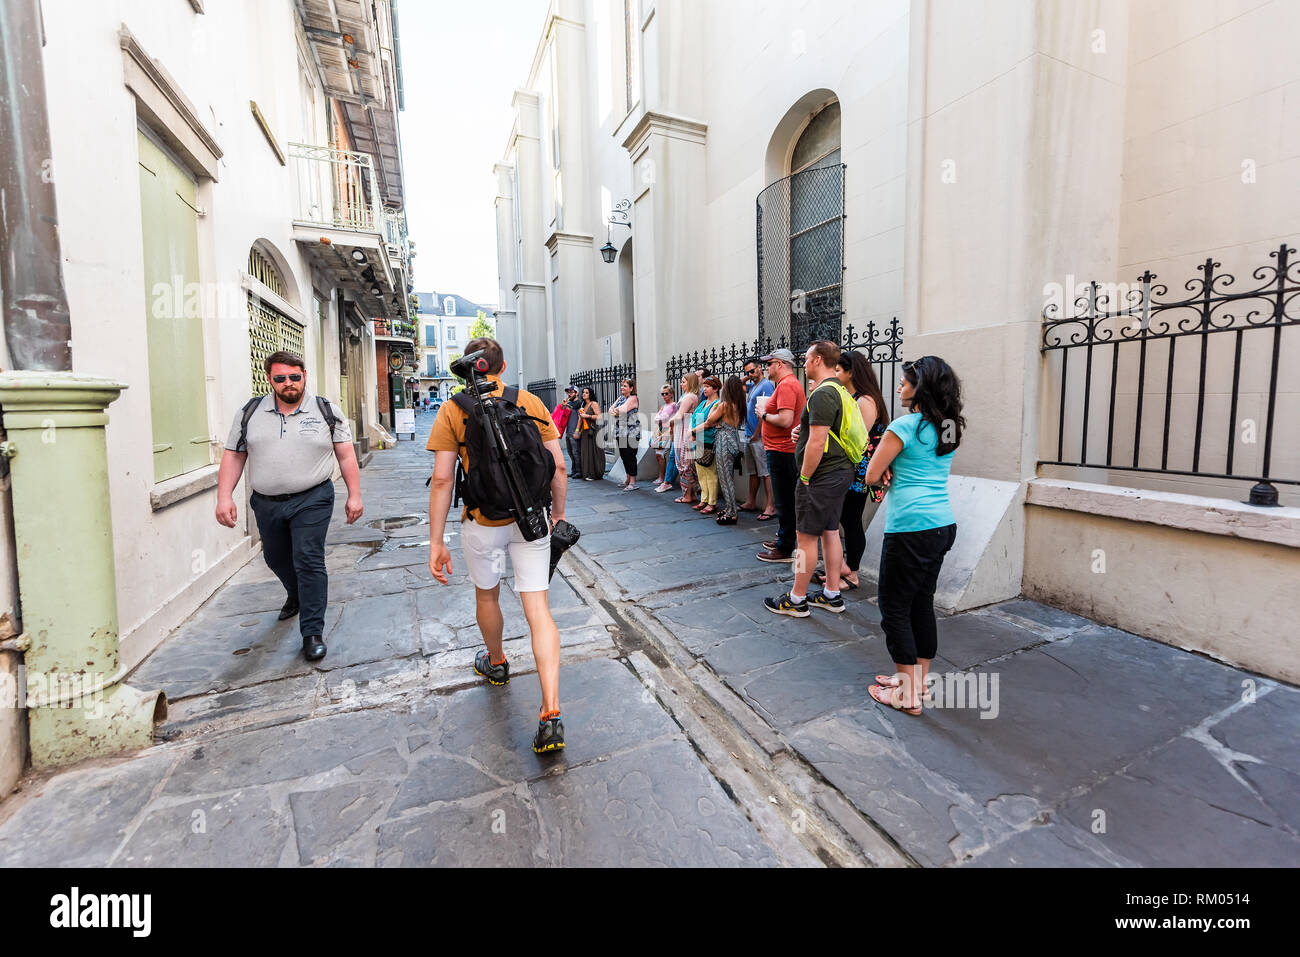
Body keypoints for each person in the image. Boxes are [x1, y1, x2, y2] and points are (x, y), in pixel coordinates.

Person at [426, 337, 570, 752]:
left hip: (483, 521)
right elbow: (558, 465)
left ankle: (498, 663)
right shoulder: (529, 402)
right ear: (502, 366)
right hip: (531, 521)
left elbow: (442, 479)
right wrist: (557, 514)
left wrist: (436, 541)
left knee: (487, 596)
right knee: (538, 609)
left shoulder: (454, 409)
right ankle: (551, 711)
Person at [215, 350, 361, 662]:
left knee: (308, 560)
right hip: (266, 503)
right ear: (270, 380)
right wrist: (224, 496)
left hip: (313, 498)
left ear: (304, 376)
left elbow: (346, 455)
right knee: (276, 558)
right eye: (280, 378)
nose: (289, 384)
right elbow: (234, 454)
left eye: (295, 377)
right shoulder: (250, 412)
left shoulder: (325, 410)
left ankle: (311, 633)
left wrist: (354, 495)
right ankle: (295, 593)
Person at [863, 356, 964, 716]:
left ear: (921, 387)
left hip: (910, 527)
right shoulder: (948, 427)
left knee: (894, 608)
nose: (899, 387)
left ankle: (906, 696)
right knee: (921, 603)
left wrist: (885, 467)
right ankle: (917, 682)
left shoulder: (903, 427)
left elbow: (871, 476)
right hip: (942, 525)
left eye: (905, 382)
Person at [765, 341, 858, 617]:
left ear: (818, 360)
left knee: (805, 538)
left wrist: (804, 476)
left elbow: (817, 442)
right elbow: (823, 434)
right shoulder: (839, 390)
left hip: (821, 475)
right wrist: (801, 436)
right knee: (830, 532)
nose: (803, 364)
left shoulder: (822, 394)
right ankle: (832, 594)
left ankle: (796, 599)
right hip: (839, 472)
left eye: (806, 359)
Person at [813, 350, 891, 591]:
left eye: (838, 370)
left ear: (850, 372)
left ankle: (853, 572)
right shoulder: (855, 396)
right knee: (845, 519)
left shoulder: (865, 401)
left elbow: (855, 439)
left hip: (859, 471)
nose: (835, 374)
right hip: (852, 468)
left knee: (851, 519)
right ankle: (843, 568)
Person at [755, 348, 805, 563]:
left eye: (770, 363)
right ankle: (785, 538)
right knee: (785, 499)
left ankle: (785, 548)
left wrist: (764, 414)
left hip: (783, 450)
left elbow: (786, 420)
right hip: (781, 449)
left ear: (780, 364)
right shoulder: (788, 385)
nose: (767, 368)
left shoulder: (786, 386)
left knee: (783, 500)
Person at [706, 376, 747, 524]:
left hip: (724, 441)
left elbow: (709, 420)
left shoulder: (724, 405)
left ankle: (732, 513)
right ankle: (731, 508)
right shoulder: (740, 404)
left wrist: (715, 412)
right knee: (728, 477)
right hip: (734, 440)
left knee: (725, 478)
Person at [740, 358, 776, 521]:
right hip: (749, 434)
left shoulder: (766, 385)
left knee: (764, 472)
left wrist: (757, 433)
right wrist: (749, 376)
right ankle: (751, 501)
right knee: (753, 471)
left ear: (760, 368)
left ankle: (770, 506)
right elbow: (736, 385)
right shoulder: (753, 385)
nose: (750, 374)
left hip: (758, 436)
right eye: (747, 372)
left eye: (752, 370)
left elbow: (766, 409)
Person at [689, 377, 721, 514]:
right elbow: (693, 418)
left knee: (710, 472)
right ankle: (704, 499)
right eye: (704, 386)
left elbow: (709, 423)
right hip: (698, 440)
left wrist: (693, 431)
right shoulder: (702, 403)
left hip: (709, 440)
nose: (704, 389)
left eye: (708, 386)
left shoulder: (718, 404)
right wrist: (692, 433)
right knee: (701, 472)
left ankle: (712, 502)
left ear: (716, 388)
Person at [669, 372, 700, 504]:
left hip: (684, 430)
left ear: (690, 382)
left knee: (684, 463)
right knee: (688, 463)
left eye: (683, 381)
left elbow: (679, 415)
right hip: (687, 428)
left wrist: (668, 422)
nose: (681, 384)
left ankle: (687, 495)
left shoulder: (689, 397)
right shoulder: (691, 396)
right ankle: (691, 494)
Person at [608, 378, 642, 490]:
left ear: (631, 388)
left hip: (632, 432)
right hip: (621, 431)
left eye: (625, 386)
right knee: (623, 456)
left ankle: (633, 482)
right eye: (622, 385)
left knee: (630, 456)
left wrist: (616, 411)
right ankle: (627, 479)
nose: (622, 387)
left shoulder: (633, 398)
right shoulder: (621, 398)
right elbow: (611, 409)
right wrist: (615, 411)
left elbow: (621, 410)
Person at [652, 384, 678, 492]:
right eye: (662, 394)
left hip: (669, 432)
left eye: (666, 393)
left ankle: (664, 478)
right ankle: (661, 477)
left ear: (671, 394)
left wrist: (660, 419)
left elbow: (664, 418)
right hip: (662, 431)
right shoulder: (663, 406)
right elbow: (656, 419)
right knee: (658, 454)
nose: (664, 396)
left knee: (661, 454)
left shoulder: (674, 405)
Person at [577, 387, 603, 481]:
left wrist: (587, 416)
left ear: (590, 394)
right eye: (583, 392)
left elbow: (600, 416)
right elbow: (580, 419)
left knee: (594, 451)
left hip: (593, 430)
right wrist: (577, 431)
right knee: (586, 451)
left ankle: (595, 473)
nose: (584, 394)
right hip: (585, 431)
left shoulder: (593, 404)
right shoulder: (583, 405)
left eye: (586, 393)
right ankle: (587, 473)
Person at [562, 386, 583, 477]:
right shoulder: (569, 403)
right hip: (568, 431)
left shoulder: (580, 403)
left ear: (577, 393)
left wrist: (577, 431)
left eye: (571, 392)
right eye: (568, 392)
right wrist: (563, 405)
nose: (569, 394)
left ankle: (579, 471)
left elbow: (580, 418)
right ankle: (574, 470)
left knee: (576, 452)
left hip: (574, 431)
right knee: (570, 452)